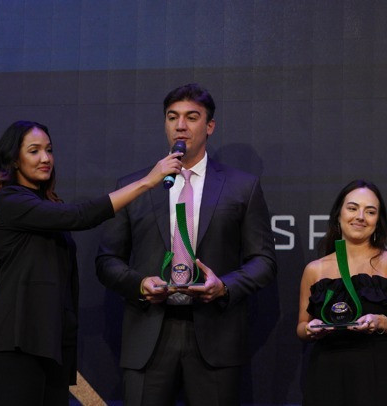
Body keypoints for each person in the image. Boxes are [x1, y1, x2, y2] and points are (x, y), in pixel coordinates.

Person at [0, 120, 182, 405]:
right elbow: (79, 216)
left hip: (47, 341)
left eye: (49, 150)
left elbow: (28, 271)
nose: (45, 158)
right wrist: (148, 181)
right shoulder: (10, 200)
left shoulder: (44, 205)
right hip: (13, 345)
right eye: (34, 151)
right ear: (14, 160)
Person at [95, 83, 277, 406]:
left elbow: (264, 261)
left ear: (210, 126)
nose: (180, 125)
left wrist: (224, 287)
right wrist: (139, 284)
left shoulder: (242, 187)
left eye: (191, 117)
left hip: (215, 335)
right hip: (149, 332)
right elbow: (107, 260)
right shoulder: (134, 187)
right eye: (172, 117)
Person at [296, 179, 387, 406]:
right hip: (325, 374)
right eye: (353, 208)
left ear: (378, 220)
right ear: (339, 214)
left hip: (375, 373)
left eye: (370, 211)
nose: (360, 217)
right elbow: (301, 327)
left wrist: (380, 321)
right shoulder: (314, 270)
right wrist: (311, 329)